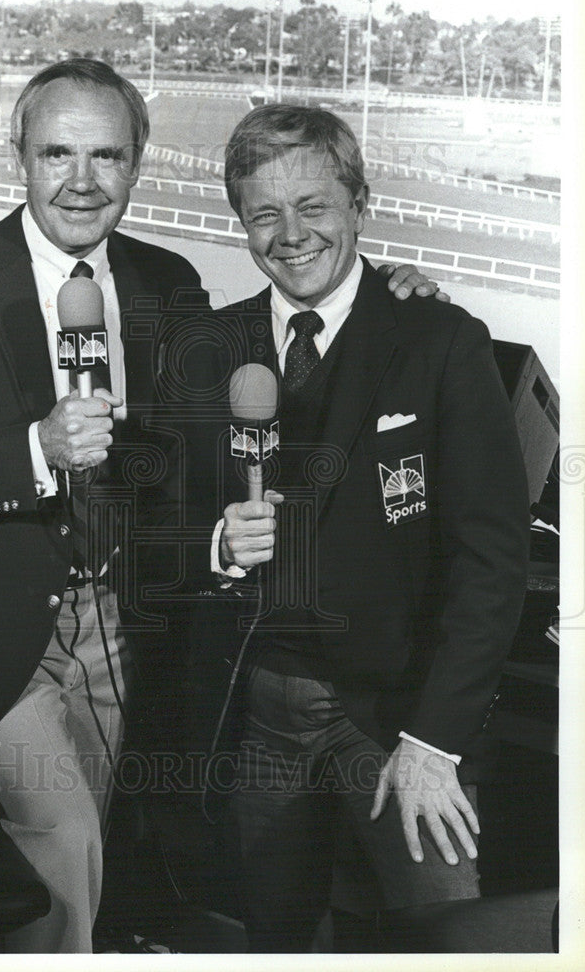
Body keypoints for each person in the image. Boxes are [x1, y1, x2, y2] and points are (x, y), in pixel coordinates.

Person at [0, 59, 448, 953]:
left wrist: (382, 301)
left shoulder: (168, 282)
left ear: (137, 164)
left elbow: (216, 445)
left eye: (108, 155)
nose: (82, 180)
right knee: (65, 836)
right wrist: (37, 448)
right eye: (58, 152)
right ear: (18, 154)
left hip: (130, 628)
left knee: (94, 848)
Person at [209, 104, 530, 952]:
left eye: (313, 206)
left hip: (400, 718)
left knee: (447, 936)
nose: (290, 234)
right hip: (264, 709)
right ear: (242, 223)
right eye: (263, 213)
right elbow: (169, 516)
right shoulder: (215, 345)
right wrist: (216, 546)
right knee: (271, 935)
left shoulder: (441, 339)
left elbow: (491, 561)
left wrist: (434, 742)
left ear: (361, 205)